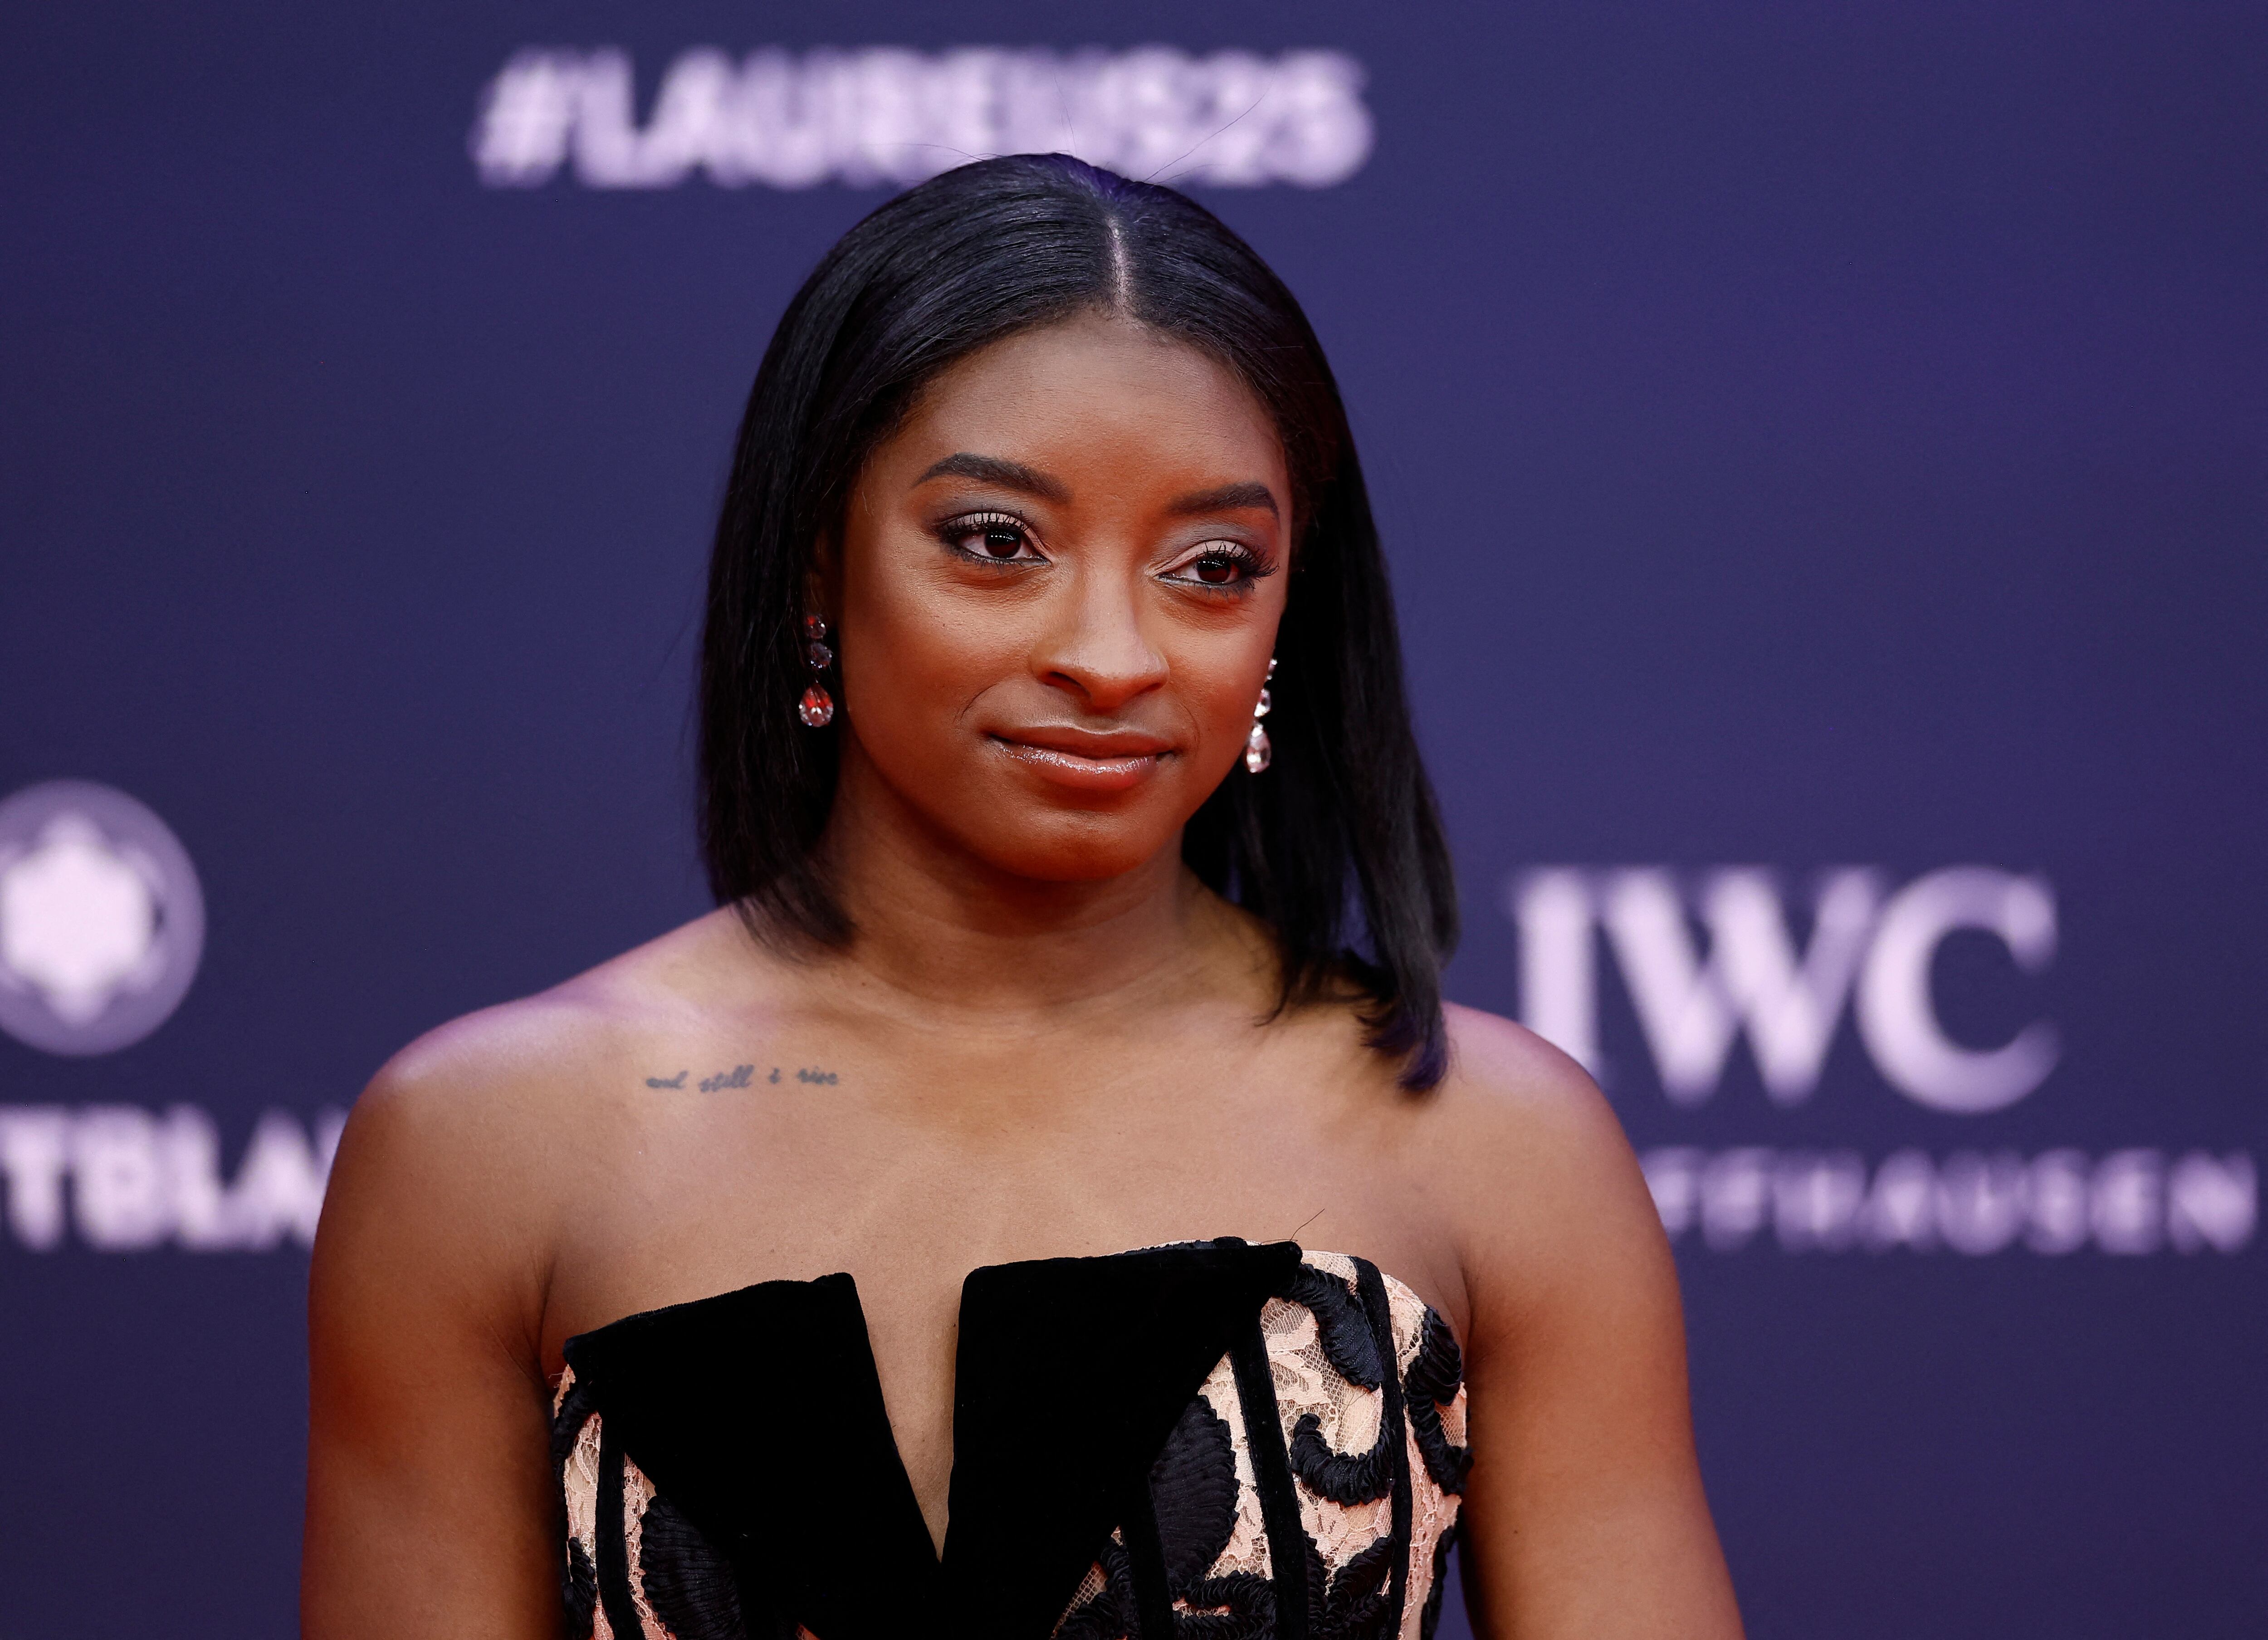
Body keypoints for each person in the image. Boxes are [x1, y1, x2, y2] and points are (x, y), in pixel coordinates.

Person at [302, 154, 1742, 1640]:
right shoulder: (490, 1143)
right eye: (997, 542)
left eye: (1212, 565)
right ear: (818, 572)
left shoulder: (1496, 1149)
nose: (1113, 655)